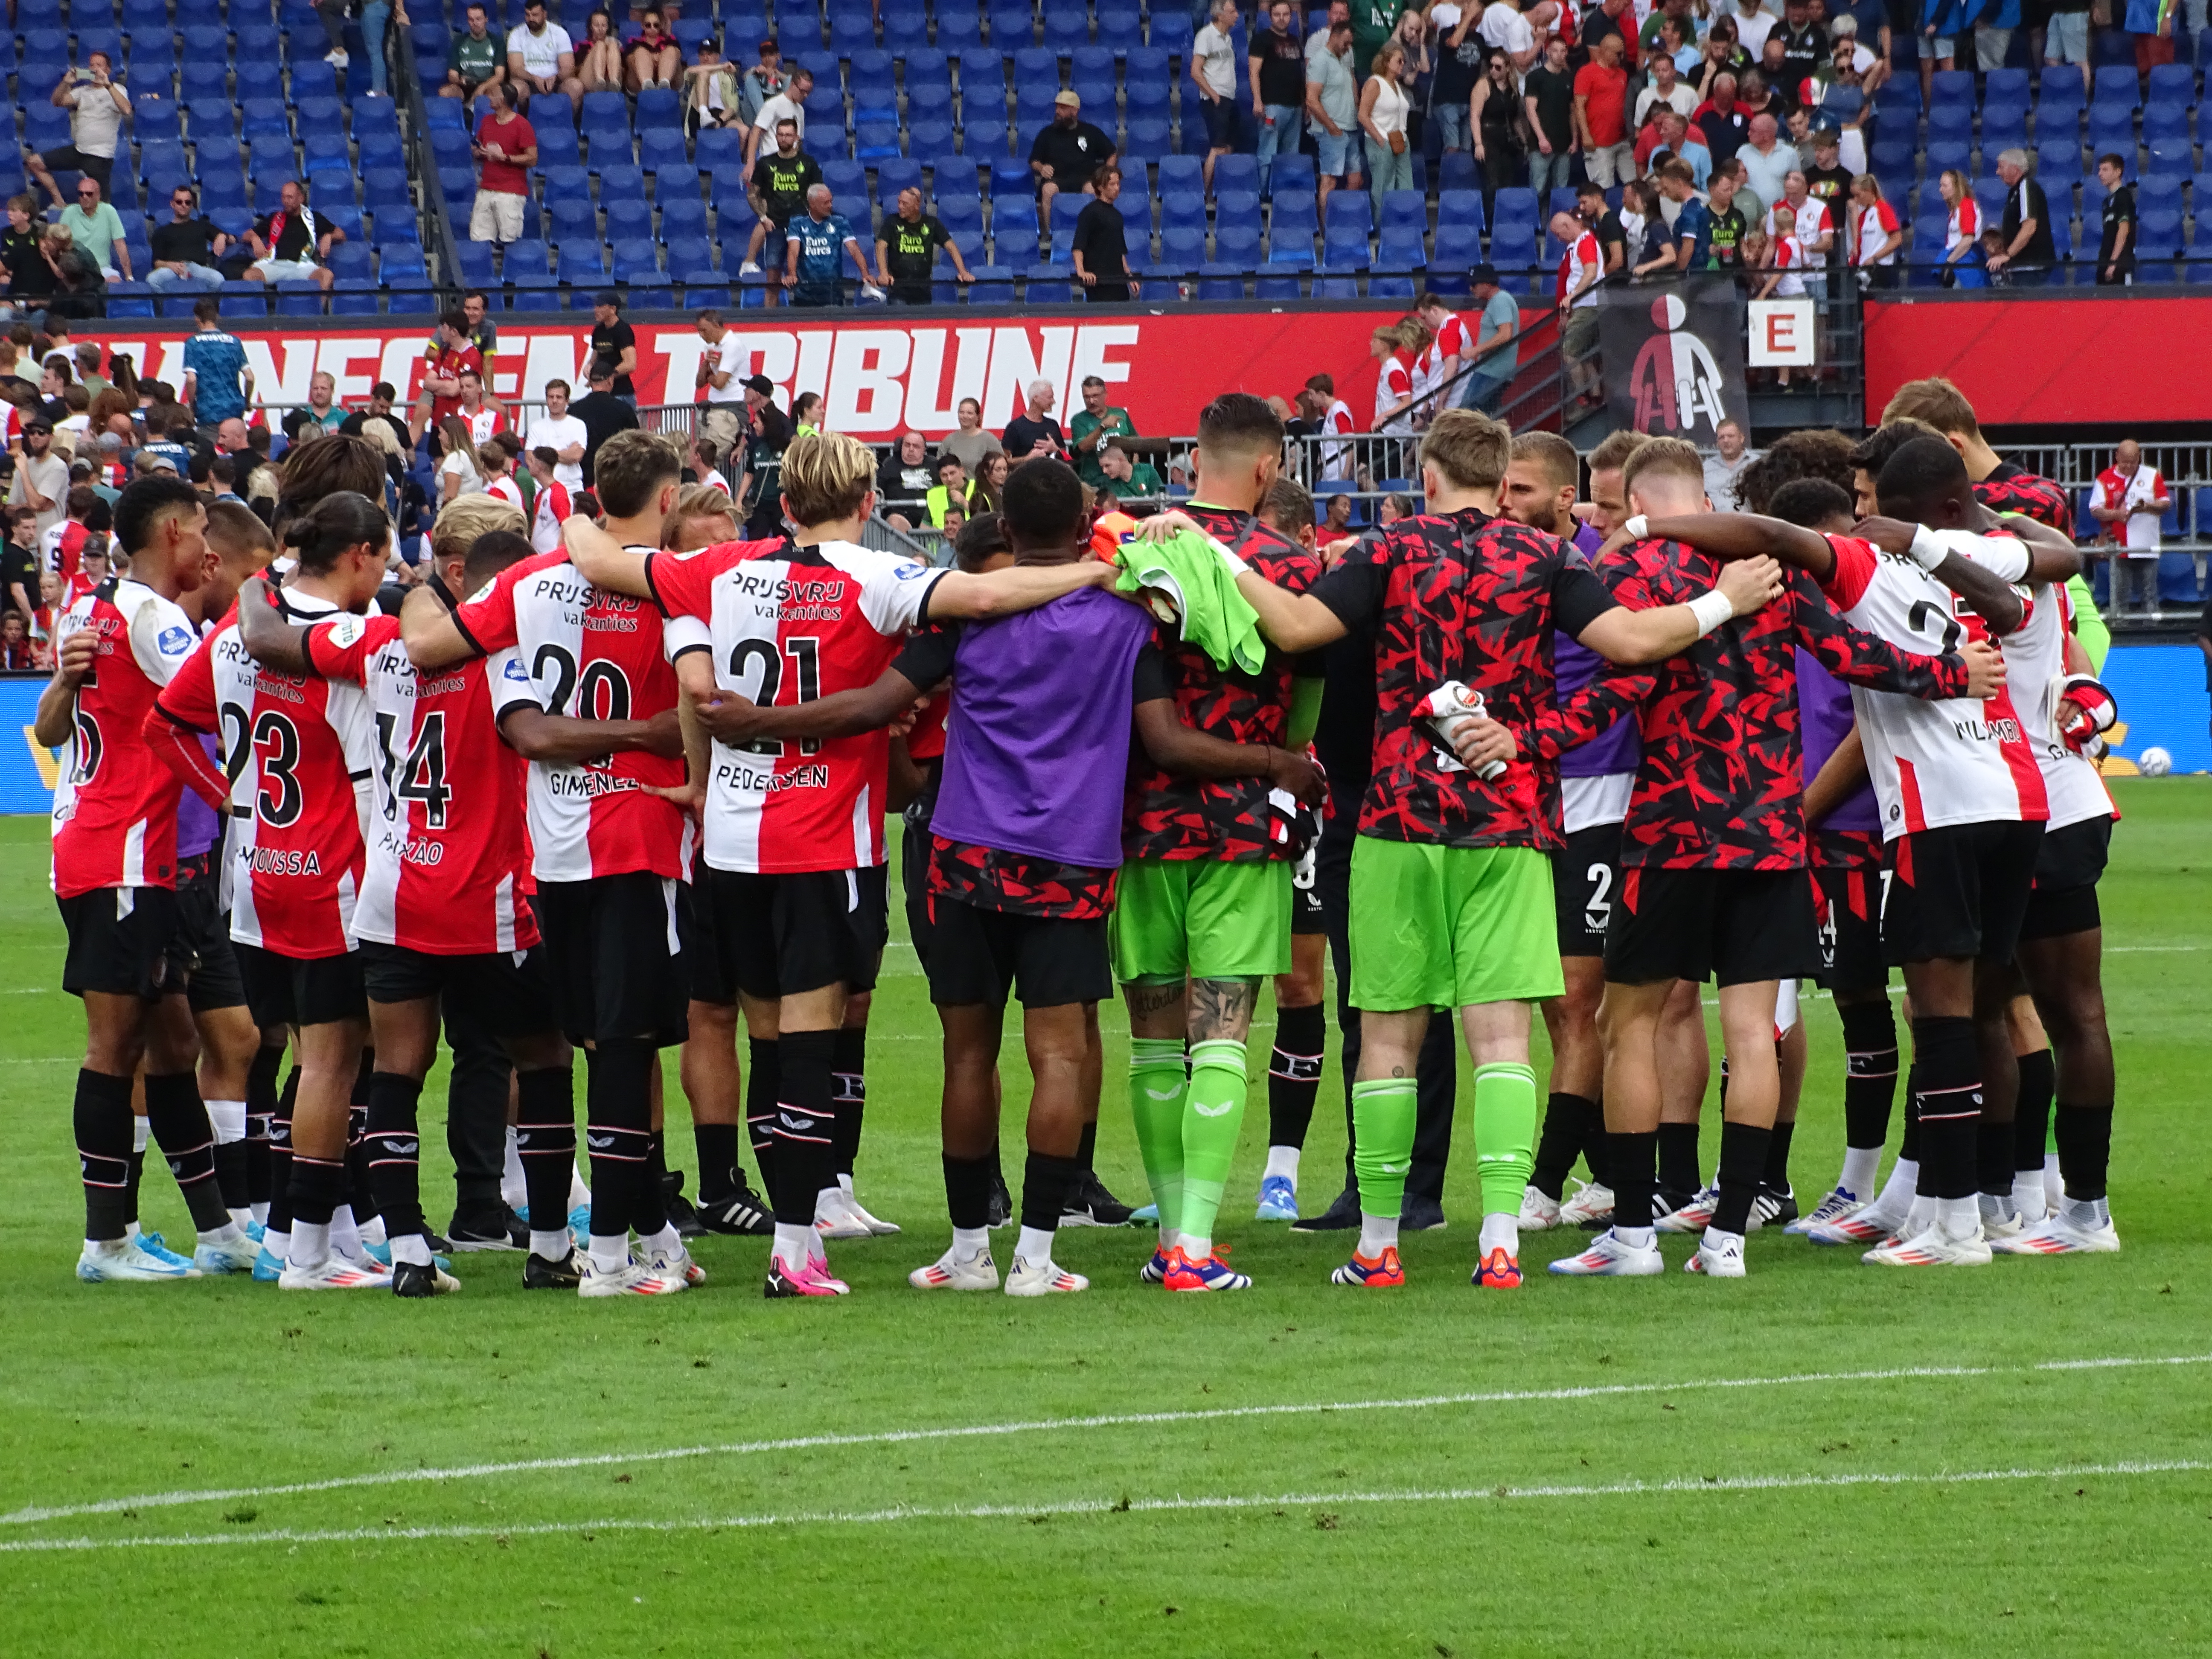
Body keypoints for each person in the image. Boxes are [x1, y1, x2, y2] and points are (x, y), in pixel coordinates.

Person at [561, 432, 1132, 1296]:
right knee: (811, 1047)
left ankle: (779, 1233)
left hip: (731, 846)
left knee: (764, 1041)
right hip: (826, 843)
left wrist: (575, 512)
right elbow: (989, 593)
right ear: (870, 504)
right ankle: (797, 1249)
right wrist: (1094, 570)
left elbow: (596, 557)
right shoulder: (882, 580)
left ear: (782, 501)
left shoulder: (719, 567)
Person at [1546, 436, 1995, 1279]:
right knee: (1753, 1029)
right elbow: (1855, 654)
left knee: (1629, 1023)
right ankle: (1727, 1241)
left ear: (1646, 504)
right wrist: (1949, 672)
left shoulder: (1638, 580)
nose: (1603, 522)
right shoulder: (1767, 568)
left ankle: (1636, 1236)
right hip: (1770, 835)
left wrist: (1519, 744)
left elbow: (1615, 694)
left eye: (1613, 508)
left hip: (1671, 835)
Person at [220, 502, 563, 1296]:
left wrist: (258, 577)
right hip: (491, 896)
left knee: (397, 1073)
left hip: (395, 889)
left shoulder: (376, 646)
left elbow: (270, 637)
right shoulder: (515, 654)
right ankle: (549, 1244)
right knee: (540, 1059)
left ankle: (407, 1250)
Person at [399, 437, 702, 1295]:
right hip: (641, 841)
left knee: (608, 1044)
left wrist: (421, 589)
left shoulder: (523, 588)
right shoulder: (675, 582)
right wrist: (655, 739)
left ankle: (648, 1237)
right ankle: (610, 1253)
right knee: (625, 1047)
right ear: (670, 495)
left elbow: (429, 649)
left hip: (556, 850)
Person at [155, 488, 399, 1288]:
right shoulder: (350, 636)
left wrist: (224, 792)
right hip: (333, 874)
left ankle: (314, 1232)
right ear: (359, 554)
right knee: (335, 1062)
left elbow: (168, 720)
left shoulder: (233, 633)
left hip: (257, 876)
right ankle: (306, 1253)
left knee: (302, 1053)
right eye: (385, 556)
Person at [41, 474, 260, 1282]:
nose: (210, 544)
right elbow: (209, 706)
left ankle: (218, 1231)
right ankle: (105, 1240)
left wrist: (65, 681)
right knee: (119, 1045)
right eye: (202, 527)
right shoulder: (154, 617)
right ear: (173, 531)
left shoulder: (90, 607)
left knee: (173, 1043)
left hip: (132, 852)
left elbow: (51, 727)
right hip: (121, 854)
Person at [29, 53, 132, 211]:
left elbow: (126, 109)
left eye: (99, 65)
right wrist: (66, 83)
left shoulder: (117, 89)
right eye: (92, 65)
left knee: (102, 207)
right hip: (79, 150)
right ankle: (59, 202)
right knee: (34, 162)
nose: (95, 69)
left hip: (100, 156)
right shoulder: (83, 90)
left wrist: (108, 85)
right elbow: (57, 102)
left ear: (108, 70)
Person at [739, 118, 823, 301]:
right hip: (775, 226)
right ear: (776, 136)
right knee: (773, 280)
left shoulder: (809, 163)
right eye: (781, 135)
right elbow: (753, 194)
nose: (784, 139)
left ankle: (810, 320)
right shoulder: (766, 163)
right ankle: (769, 323)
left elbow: (819, 195)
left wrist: (814, 222)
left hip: (802, 227)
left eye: (788, 135)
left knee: (808, 277)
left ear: (796, 137)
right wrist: (763, 217)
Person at [2093, 438, 2170, 614]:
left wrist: (2147, 507)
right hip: (2119, 544)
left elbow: (2165, 503)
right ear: (2117, 457)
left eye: (2132, 463)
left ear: (2139, 458)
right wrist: (2116, 514)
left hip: (2147, 541)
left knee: (2149, 590)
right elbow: (2096, 510)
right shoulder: (2105, 478)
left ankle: (2151, 625)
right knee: (2121, 591)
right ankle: (2120, 624)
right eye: (2124, 462)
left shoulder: (2152, 475)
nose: (2128, 467)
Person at [876, 186, 975, 305]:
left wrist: (963, 272)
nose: (900, 207)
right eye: (899, 202)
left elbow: (951, 247)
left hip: (923, 289)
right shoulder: (892, 221)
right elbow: (881, 247)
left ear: (917, 205)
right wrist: (884, 273)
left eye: (905, 204)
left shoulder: (931, 223)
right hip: (898, 288)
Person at [1306, 15, 1364, 215]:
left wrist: (1356, 107)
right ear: (1334, 36)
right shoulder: (1320, 61)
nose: (1348, 47)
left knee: (1356, 179)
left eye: (1351, 43)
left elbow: (1352, 81)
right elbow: (1311, 100)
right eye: (1346, 42)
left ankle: (1343, 219)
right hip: (1331, 131)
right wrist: (1332, 127)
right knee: (1329, 182)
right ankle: (1327, 231)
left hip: (1350, 127)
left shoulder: (1346, 56)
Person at [1249, 0, 1308, 189]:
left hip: (1295, 107)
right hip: (1271, 106)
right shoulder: (1261, 39)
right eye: (1277, 15)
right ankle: (1265, 195)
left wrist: (1304, 103)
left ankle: (1284, 195)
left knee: (1290, 157)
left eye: (1286, 15)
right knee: (1267, 154)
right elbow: (1254, 72)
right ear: (1270, 17)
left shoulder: (1294, 40)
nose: (1282, 19)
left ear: (1291, 17)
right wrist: (1258, 101)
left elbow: (1300, 74)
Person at [469, 79, 537, 245]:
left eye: (494, 95)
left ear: (503, 100)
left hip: (510, 192)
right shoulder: (487, 122)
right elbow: (477, 145)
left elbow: (532, 159)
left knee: (509, 239)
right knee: (479, 239)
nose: (490, 98)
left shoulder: (522, 125)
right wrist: (478, 152)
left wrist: (504, 157)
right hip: (487, 189)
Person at [1030, 89, 1118, 216]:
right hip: (1057, 179)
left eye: (1062, 108)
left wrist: (1106, 174)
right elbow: (1035, 161)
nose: (1057, 112)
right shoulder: (1046, 134)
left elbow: (1112, 153)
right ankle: (1051, 234)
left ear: (1075, 111)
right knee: (1048, 190)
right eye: (1057, 108)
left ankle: (1093, 232)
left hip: (1086, 178)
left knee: (1093, 190)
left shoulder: (1091, 132)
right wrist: (1042, 168)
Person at [244, 179, 341, 291]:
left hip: (303, 265)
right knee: (250, 275)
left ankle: (315, 309)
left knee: (327, 276)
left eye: (290, 197)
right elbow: (246, 235)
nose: (286, 201)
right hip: (276, 264)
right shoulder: (275, 218)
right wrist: (254, 238)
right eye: (284, 197)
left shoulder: (314, 218)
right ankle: (264, 308)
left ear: (301, 199)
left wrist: (329, 236)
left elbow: (341, 234)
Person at [178, 298, 253, 437]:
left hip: (208, 410)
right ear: (217, 317)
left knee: (207, 453)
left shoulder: (193, 343)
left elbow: (192, 380)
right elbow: (250, 377)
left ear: (197, 319)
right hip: (234, 409)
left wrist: (192, 406)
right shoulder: (234, 342)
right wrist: (246, 402)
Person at [1192, 0, 1244, 193]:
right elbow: (1195, 71)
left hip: (1229, 98)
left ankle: (1222, 191)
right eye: (1233, 11)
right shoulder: (1206, 35)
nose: (1237, 15)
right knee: (1218, 147)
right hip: (1217, 100)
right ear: (1220, 15)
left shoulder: (1227, 38)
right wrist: (1215, 96)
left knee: (1229, 148)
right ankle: (1206, 193)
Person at [1458, 264, 1521, 415]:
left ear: (1487, 283)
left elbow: (1506, 334)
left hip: (1492, 370)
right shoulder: (1498, 300)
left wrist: (1475, 350)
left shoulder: (1500, 300)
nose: (1471, 289)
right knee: (1485, 417)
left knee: (1467, 414)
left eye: (1474, 284)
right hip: (1492, 369)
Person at [1071, 166, 1139, 301]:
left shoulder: (1117, 215)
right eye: (1112, 184)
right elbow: (1078, 246)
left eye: (1118, 184)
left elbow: (1120, 251)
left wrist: (1129, 277)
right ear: (1101, 187)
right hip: (1099, 282)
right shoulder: (1090, 212)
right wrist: (1081, 272)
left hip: (1118, 281)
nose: (1117, 188)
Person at [506, 0, 584, 116]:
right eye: (528, 15)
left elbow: (569, 68)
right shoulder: (516, 34)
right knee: (515, 89)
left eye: (535, 15)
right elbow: (516, 69)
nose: (531, 19)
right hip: (528, 82)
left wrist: (556, 78)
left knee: (576, 87)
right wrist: (534, 78)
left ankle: (566, 126)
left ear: (545, 14)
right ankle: (524, 125)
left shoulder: (560, 33)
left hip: (556, 82)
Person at [1988, 149, 2054, 286]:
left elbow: (2029, 226)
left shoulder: (2026, 187)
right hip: (2022, 267)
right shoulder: (2015, 191)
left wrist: (2007, 255)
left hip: (2030, 267)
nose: (1997, 172)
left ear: (2015, 168)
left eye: (2001, 167)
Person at [1358, 41, 1415, 196]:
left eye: (1404, 61)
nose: (1403, 64)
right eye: (1399, 61)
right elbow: (1363, 115)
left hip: (1400, 140)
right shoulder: (1375, 83)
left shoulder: (1396, 84)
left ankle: (1402, 220)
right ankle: (1380, 221)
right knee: (1384, 188)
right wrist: (1380, 140)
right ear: (1386, 61)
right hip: (1381, 140)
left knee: (1406, 187)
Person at [147, 186, 227, 293]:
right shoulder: (162, 232)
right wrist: (170, 265)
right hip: (173, 269)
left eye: (188, 202)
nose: (184, 205)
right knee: (151, 280)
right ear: (173, 204)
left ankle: (202, 307)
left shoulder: (201, 226)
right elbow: (156, 262)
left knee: (219, 280)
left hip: (198, 268)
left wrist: (222, 236)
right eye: (179, 202)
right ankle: (169, 307)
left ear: (192, 205)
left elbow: (232, 238)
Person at [58, 178, 131, 283]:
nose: (84, 197)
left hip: (103, 269)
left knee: (115, 281)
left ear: (98, 196)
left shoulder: (109, 211)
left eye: (89, 194)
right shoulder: (69, 212)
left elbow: (120, 245)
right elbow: (60, 244)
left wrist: (129, 276)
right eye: (81, 194)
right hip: (77, 270)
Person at [745, 65, 814, 172]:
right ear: (792, 85)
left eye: (808, 92)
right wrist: (751, 164)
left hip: (791, 165)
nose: (805, 96)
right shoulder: (773, 104)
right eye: (802, 91)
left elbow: (799, 141)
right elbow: (756, 132)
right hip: (771, 164)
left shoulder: (800, 110)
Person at [523, 379, 587, 492]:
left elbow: (576, 456)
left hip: (572, 488)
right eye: (551, 397)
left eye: (559, 397)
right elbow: (530, 459)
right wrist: (565, 454)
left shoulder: (578, 425)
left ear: (567, 400)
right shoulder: (536, 427)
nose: (554, 401)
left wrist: (544, 455)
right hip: (543, 488)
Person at [442, 3, 509, 101]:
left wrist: (482, 87)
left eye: (478, 19)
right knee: (445, 93)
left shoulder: (497, 42)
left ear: (486, 19)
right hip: (464, 85)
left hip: (488, 85)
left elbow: (500, 76)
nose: (475, 23)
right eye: (471, 20)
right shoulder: (459, 41)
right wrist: (460, 81)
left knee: (497, 93)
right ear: (468, 21)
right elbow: (452, 74)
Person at [1847, 171, 1902, 287]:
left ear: (1869, 191)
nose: (1856, 200)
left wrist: (1875, 258)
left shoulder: (1883, 209)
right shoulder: (1864, 215)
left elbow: (1897, 239)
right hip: (1865, 269)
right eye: (1854, 196)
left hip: (1880, 269)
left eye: (1858, 195)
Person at [2093, 153, 2136, 287]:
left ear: (2118, 172)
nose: (2100, 174)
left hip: (2119, 265)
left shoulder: (2124, 197)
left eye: (2105, 170)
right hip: (2105, 262)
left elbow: (2124, 229)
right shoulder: (2107, 202)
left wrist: (2113, 263)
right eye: (2100, 170)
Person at [588, 293, 639, 400]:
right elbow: (593, 360)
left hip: (622, 394)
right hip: (602, 393)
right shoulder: (598, 331)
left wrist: (606, 376)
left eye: (600, 306)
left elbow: (630, 364)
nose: (596, 310)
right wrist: (589, 371)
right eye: (596, 306)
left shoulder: (623, 330)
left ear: (613, 309)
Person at [1702, 419, 1761, 509]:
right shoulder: (1706, 468)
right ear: (1717, 443)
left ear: (1741, 438)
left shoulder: (1757, 463)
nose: (1726, 440)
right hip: (1717, 522)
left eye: (1731, 436)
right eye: (1721, 437)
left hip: (1749, 522)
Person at [1003, 380, 1067, 462]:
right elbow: (1005, 461)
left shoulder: (1053, 425)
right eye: (1050, 398)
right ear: (1036, 398)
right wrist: (1027, 459)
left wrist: (1055, 449)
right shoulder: (1015, 427)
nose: (1053, 402)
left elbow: (1066, 458)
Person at [626, 5, 682, 91]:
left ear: (661, 26)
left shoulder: (670, 40)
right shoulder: (634, 42)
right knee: (640, 52)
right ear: (643, 26)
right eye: (648, 25)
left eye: (656, 25)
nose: (652, 28)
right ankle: (647, 85)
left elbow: (678, 56)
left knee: (671, 50)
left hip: (672, 82)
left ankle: (665, 84)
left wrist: (661, 59)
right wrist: (651, 59)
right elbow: (629, 61)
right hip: (638, 84)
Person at [1097, 441, 1164, 503]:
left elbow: (1161, 500)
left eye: (1108, 466)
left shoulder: (1147, 471)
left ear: (1121, 459)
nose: (1104, 471)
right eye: (1103, 467)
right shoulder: (1107, 483)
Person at [578, 9, 627, 93]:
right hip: (589, 81)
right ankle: (599, 80)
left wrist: (608, 62)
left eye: (604, 25)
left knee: (613, 43)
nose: (601, 29)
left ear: (608, 27)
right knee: (600, 45)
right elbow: (576, 70)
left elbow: (624, 70)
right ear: (591, 27)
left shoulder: (616, 45)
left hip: (611, 81)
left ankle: (614, 82)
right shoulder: (582, 46)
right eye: (597, 26)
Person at [967, 449, 1010, 516]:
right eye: (998, 470)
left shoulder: (1004, 494)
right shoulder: (980, 498)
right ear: (986, 471)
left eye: (1005, 469)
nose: (1003, 474)